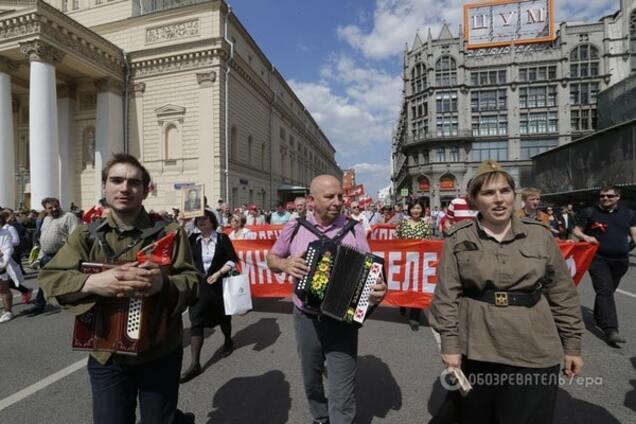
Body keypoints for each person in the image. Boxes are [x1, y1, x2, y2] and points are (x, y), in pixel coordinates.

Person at [38, 153, 199, 424]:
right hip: (106, 355)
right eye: (116, 180)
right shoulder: (86, 234)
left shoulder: (170, 233)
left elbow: (193, 283)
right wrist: (91, 282)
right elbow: (49, 279)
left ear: (145, 191)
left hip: (159, 351)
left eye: (134, 182)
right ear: (104, 187)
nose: (125, 188)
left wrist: (164, 283)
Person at [430, 160, 583, 424]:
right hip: (478, 346)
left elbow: (562, 292)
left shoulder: (540, 235)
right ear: (475, 201)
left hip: (534, 346)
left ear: (514, 195)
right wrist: (450, 346)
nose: (499, 200)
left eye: (505, 191)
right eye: (489, 193)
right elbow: (446, 297)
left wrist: (572, 345)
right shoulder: (458, 237)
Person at [266, 175, 387, 424]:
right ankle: (320, 417)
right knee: (311, 379)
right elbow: (272, 258)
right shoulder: (295, 227)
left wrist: (377, 289)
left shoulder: (354, 228)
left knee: (342, 387)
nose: (338, 202)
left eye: (340, 196)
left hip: (342, 321)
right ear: (311, 200)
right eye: (329, 196)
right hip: (306, 317)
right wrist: (285, 263)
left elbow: (371, 271)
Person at [573, 185, 636, 346]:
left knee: (607, 291)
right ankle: (611, 330)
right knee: (605, 290)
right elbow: (576, 231)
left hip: (621, 260)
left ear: (617, 197)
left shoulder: (628, 213)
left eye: (609, 196)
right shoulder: (590, 212)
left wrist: (630, 246)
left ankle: (599, 315)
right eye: (602, 196)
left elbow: (634, 233)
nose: (605, 199)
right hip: (598, 259)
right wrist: (586, 237)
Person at [180, 209, 238, 383]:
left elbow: (232, 259)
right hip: (199, 286)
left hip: (218, 285)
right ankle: (194, 364)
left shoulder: (222, 238)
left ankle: (228, 341)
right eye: (198, 220)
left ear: (212, 221)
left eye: (204, 219)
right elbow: (176, 243)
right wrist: (182, 223)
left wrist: (219, 273)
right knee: (196, 321)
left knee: (223, 317)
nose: (200, 222)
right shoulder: (192, 239)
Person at [25, 197, 81, 315]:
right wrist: (39, 257)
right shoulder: (46, 219)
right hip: (46, 255)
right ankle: (40, 305)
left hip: (61, 255)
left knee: (61, 280)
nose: (54, 209)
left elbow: (75, 237)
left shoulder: (69, 217)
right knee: (44, 280)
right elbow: (43, 239)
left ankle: (66, 302)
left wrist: (69, 255)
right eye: (50, 208)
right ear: (45, 209)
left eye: (56, 206)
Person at [395, 197, 433, 331]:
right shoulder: (402, 224)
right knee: (405, 285)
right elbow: (395, 239)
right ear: (409, 209)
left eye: (418, 208)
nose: (416, 210)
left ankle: (415, 316)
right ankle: (403, 303)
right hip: (405, 261)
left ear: (422, 210)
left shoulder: (426, 224)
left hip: (420, 261)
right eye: (413, 208)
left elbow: (429, 242)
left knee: (418, 287)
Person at [0, 209, 32, 304]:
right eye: (10, 215)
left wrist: (6, 246)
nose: (13, 217)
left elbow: (16, 241)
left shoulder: (9, 228)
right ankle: (24, 290)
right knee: (6, 281)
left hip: (10, 256)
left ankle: (24, 291)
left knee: (6, 281)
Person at [0, 214, 17, 323]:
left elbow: (8, 250)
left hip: (1, 265)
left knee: (3, 289)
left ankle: (8, 311)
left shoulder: (5, 233)